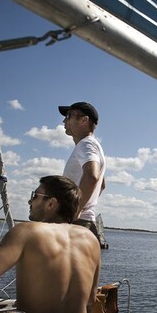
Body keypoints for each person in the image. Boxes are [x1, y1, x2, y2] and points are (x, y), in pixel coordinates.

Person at [0, 175, 101, 313]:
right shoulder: (91, 239)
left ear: (51, 203)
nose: (30, 202)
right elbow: (91, 299)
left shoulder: (27, 232)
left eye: (35, 196)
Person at [58, 102, 107, 247]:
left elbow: (92, 176)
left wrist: (76, 209)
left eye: (69, 116)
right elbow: (102, 185)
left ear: (84, 120)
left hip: (76, 222)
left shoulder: (86, 144)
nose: (64, 121)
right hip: (85, 222)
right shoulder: (93, 145)